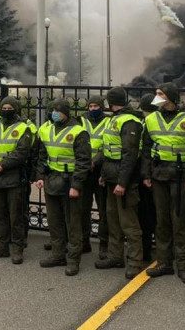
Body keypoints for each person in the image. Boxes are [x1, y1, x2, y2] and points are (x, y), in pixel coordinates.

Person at [142, 82, 185, 285]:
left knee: (180, 223)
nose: (157, 96)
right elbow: (146, 149)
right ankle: (164, 263)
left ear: (171, 97)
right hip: (159, 175)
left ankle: (183, 267)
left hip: (180, 177)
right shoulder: (151, 119)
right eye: (156, 93)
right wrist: (146, 174)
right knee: (162, 222)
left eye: (160, 94)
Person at [35, 99, 91, 276]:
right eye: (52, 110)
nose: (54, 113)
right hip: (52, 179)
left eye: (58, 111)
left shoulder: (78, 132)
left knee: (72, 223)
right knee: (54, 221)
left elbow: (83, 162)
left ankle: (73, 259)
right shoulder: (46, 129)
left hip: (69, 181)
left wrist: (76, 185)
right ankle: (58, 254)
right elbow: (42, 155)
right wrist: (40, 176)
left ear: (66, 112)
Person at [96, 87, 144, 279]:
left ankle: (135, 262)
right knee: (112, 220)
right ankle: (115, 256)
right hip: (110, 176)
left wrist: (123, 183)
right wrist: (103, 174)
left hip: (124, 180)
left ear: (110, 102)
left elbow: (130, 155)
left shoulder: (129, 121)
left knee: (129, 223)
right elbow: (108, 150)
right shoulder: (114, 119)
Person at [0, 96, 32, 264]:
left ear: (16, 109)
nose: (6, 110)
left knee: (16, 215)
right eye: (4, 107)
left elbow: (22, 152)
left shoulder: (24, 128)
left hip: (14, 177)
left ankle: (17, 248)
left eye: (10, 107)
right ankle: (1, 246)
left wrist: (2, 165)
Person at [80, 94, 110, 257]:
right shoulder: (81, 121)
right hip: (84, 170)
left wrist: (95, 161)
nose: (93, 109)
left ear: (102, 107)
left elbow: (108, 145)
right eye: (90, 106)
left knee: (103, 210)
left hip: (101, 171)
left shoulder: (108, 122)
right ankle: (84, 242)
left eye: (96, 106)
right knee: (83, 209)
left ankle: (104, 245)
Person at [137, 92, 158, 262]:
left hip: (146, 174)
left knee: (146, 215)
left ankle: (146, 251)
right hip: (158, 173)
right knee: (159, 214)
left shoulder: (145, 123)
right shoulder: (158, 122)